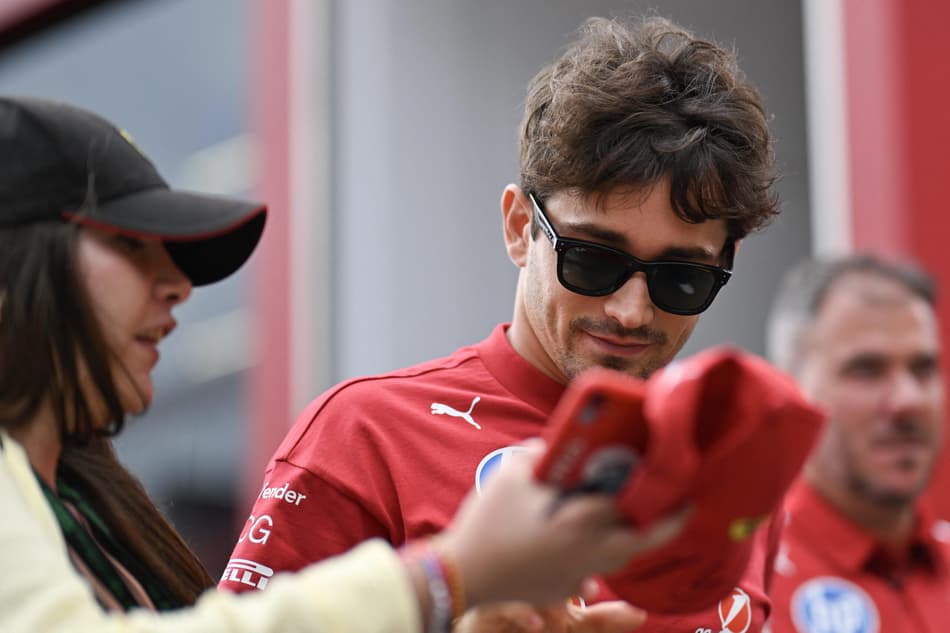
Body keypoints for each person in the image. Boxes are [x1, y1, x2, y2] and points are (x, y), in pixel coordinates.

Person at [0, 95, 687, 632]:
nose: (178, 284)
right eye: (129, 243)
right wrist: (448, 574)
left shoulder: (83, 505)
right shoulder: (363, 426)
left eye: (686, 277)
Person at [222, 14, 781, 632]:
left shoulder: (737, 469)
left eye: (682, 278)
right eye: (592, 260)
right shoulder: (363, 438)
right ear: (520, 227)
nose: (631, 310)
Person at [764, 254, 949, 633]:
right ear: (790, 392)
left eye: (923, 368)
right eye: (866, 370)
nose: (907, 401)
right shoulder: (740, 593)